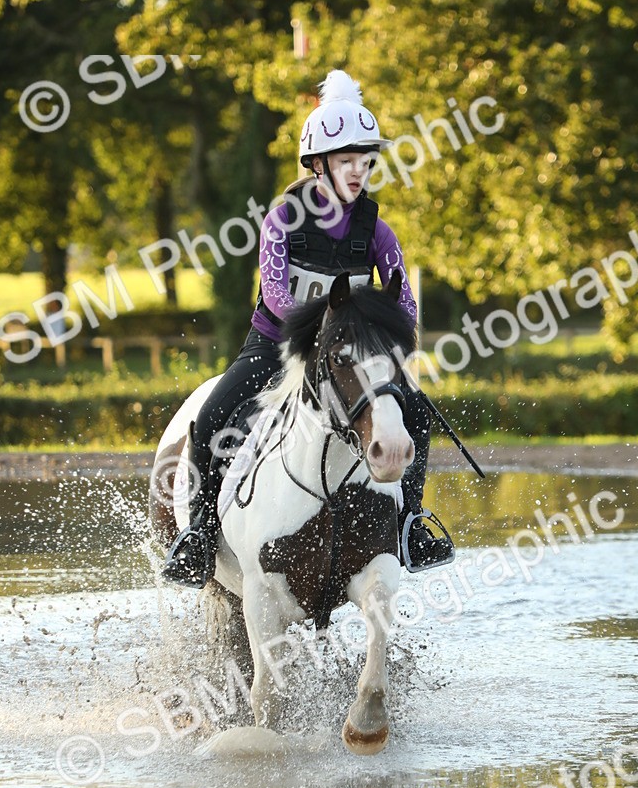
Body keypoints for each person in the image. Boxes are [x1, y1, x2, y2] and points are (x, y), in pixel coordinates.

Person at [163, 69, 454, 586]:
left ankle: (409, 525)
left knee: (416, 415)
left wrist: (385, 336)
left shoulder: (378, 231)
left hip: (349, 358)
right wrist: (331, 326)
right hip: (275, 347)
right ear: (318, 164)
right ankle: (201, 535)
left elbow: (403, 298)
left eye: (365, 162)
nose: (359, 172)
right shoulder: (282, 220)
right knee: (211, 417)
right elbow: (276, 296)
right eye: (347, 161)